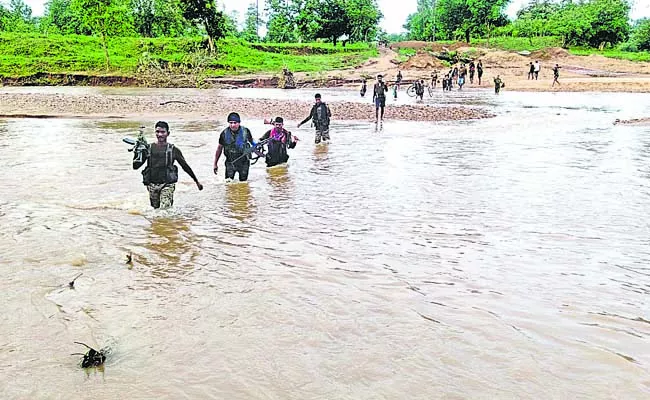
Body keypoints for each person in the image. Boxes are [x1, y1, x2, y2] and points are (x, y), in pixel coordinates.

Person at [133, 121, 203, 209]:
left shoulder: (173, 150)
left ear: (168, 133)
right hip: (152, 185)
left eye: (163, 132)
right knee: (155, 210)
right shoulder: (148, 148)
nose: (160, 134)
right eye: (157, 132)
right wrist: (138, 152)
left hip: (167, 184)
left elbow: (185, 166)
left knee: (164, 210)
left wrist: (196, 181)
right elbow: (135, 166)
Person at [214, 112, 256, 182]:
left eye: (235, 123)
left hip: (244, 162)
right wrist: (215, 164)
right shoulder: (224, 134)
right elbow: (219, 149)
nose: (233, 125)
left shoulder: (246, 131)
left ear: (239, 123)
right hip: (230, 162)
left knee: (243, 184)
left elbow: (252, 143)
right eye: (231, 123)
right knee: (228, 183)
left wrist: (257, 150)